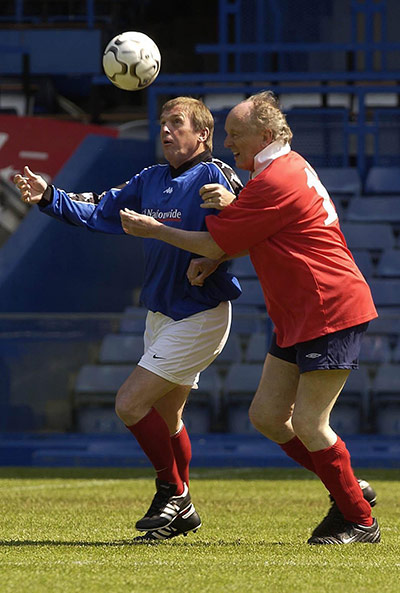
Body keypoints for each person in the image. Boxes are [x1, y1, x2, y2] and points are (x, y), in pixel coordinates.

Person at [118, 90, 381, 545]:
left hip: (327, 309)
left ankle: (359, 518)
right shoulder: (283, 169)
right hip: (300, 312)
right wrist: (225, 233)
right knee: (266, 416)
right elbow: (251, 234)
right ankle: (347, 487)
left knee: (310, 423)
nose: (229, 144)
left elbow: (216, 242)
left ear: (264, 135)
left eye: (236, 135)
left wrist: (154, 229)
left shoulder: (274, 181)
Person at [13, 96, 243, 542]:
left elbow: (249, 225)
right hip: (161, 314)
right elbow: (100, 207)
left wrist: (225, 230)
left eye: (177, 123)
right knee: (168, 416)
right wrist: (47, 197)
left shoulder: (217, 176)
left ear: (203, 135)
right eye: (162, 123)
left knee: (129, 403)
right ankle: (185, 510)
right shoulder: (150, 179)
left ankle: (171, 491)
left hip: (200, 312)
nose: (166, 130)